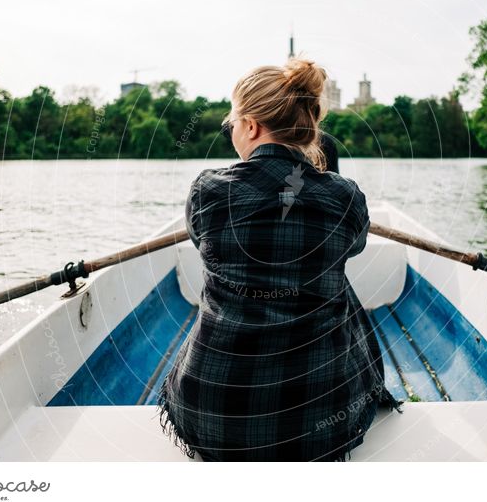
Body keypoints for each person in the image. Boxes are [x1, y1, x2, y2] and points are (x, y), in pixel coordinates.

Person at [155, 56, 403, 462]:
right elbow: (353, 246)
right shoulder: (345, 196)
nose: (231, 129)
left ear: (251, 125)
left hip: (212, 414)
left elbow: (204, 242)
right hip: (319, 419)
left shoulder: (207, 191)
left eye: (232, 122)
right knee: (336, 283)